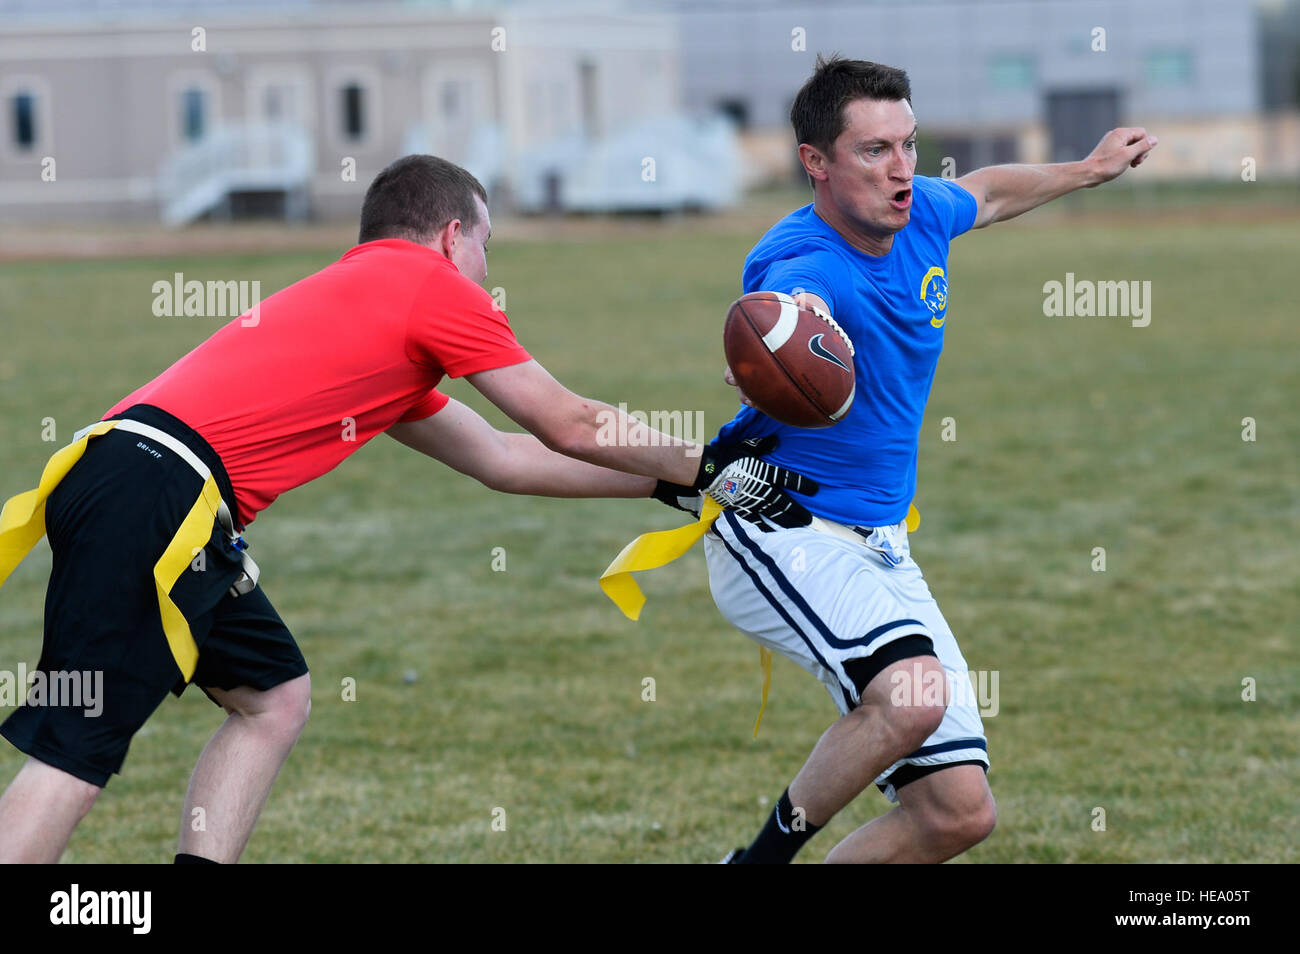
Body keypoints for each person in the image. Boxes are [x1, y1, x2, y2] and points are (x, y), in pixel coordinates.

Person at [0, 155, 814, 864]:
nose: (488, 275)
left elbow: (504, 459)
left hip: (131, 477)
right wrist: (714, 466)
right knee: (76, 750)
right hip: (159, 493)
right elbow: (563, 419)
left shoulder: (368, 316)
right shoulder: (429, 285)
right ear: (453, 235)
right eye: (487, 249)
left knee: (273, 697)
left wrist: (671, 483)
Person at [708, 55, 1156, 863]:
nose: (903, 169)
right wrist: (780, 332)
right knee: (912, 697)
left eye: (909, 144)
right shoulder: (804, 263)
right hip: (782, 521)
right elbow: (784, 308)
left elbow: (986, 192)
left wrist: (1088, 170)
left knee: (956, 814)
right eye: (875, 151)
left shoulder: (917, 214)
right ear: (815, 162)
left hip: (879, 540)